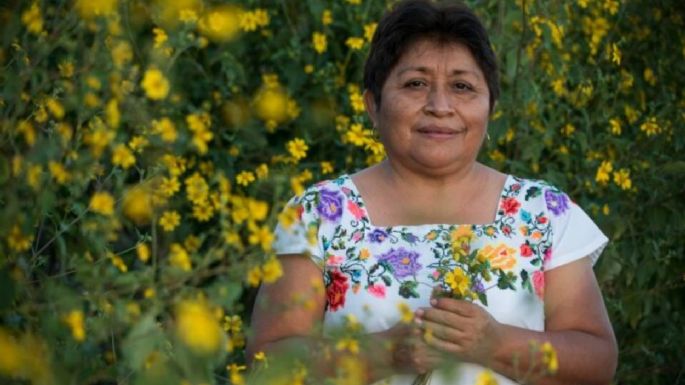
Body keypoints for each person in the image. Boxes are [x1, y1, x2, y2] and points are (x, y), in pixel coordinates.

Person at [247, 1, 618, 384]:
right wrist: (386, 353)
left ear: (491, 106)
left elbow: (597, 362)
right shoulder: (318, 214)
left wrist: (494, 343)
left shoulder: (544, 213)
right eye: (415, 84)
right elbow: (266, 361)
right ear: (373, 105)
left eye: (462, 87)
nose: (440, 106)